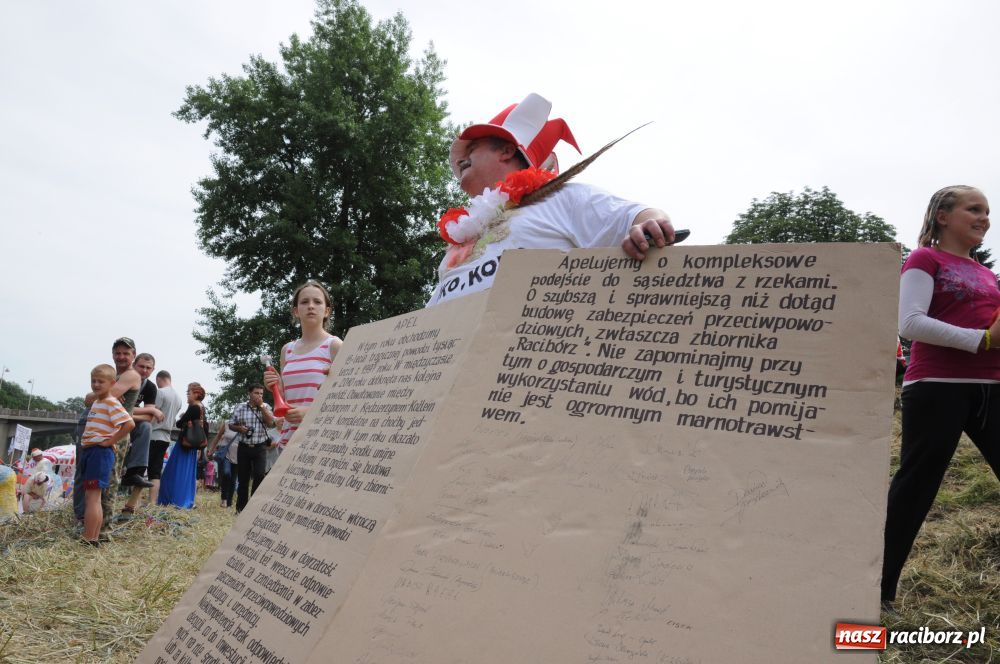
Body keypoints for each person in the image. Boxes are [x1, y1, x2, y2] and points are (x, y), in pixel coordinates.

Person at [426, 92, 676, 307]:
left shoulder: (563, 198)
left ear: (506, 151)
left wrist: (648, 226)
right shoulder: (464, 234)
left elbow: (637, 217)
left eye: (472, 149)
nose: (462, 159)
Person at [882, 185, 1000, 606]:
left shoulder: (987, 274)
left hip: (991, 388)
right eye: (974, 209)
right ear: (943, 216)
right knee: (917, 488)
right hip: (936, 388)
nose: (984, 217)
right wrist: (982, 340)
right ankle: (877, 589)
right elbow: (910, 323)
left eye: (987, 211)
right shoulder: (924, 259)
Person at [80, 364, 134, 545]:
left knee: (93, 497)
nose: (96, 384)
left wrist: (109, 441)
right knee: (92, 497)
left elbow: (129, 424)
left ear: (112, 383)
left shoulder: (111, 402)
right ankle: (93, 536)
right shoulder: (98, 402)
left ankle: (89, 537)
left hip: (99, 452)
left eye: (100, 382)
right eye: (93, 381)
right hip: (92, 450)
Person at [120, 352, 165, 515]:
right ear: (134, 365)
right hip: (112, 424)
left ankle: (136, 472)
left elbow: (148, 418)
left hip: (130, 424)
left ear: (153, 370)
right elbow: (116, 408)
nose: (144, 370)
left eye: (148, 368)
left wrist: (130, 413)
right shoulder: (124, 379)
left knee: (146, 427)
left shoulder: (150, 387)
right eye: (141, 366)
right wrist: (151, 409)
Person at [158, 383, 208, 509]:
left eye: (189, 393)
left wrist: (183, 418)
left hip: (184, 445)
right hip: (193, 447)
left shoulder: (194, 407)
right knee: (187, 475)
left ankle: (174, 499)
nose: (187, 395)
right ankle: (185, 499)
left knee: (175, 472)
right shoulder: (202, 408)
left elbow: (179, 423)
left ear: (196, 394)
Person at [230, 384, 276, 513]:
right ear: (249, 393)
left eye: (261, 394)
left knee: (259, 475)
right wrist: (239, 428)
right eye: (256, 393)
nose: (259, 396)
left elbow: (270, 423)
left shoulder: (266, 407)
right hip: (244, 447)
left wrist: (261, 407)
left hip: (260, 447)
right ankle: (240, 509)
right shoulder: (240, 407)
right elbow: (231, 425)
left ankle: (253, 508)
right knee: (243, 479)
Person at [149, 370, 184, 505]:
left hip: (154, 434)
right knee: (156, 470)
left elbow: (152, 413)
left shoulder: (161, 392)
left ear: (159, 379)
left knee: (145, 468)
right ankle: (153, 501)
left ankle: (142, 501)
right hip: (166, 437)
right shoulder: (179, 398)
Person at [207, 420, 240, 508]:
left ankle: (229, 502)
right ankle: (224, 498)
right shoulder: (227, 423)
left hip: (238, 457)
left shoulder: (244, 425)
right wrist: (211, 450)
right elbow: (218, 436)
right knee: (226, 473)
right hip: (226, 454)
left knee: (233, 479)